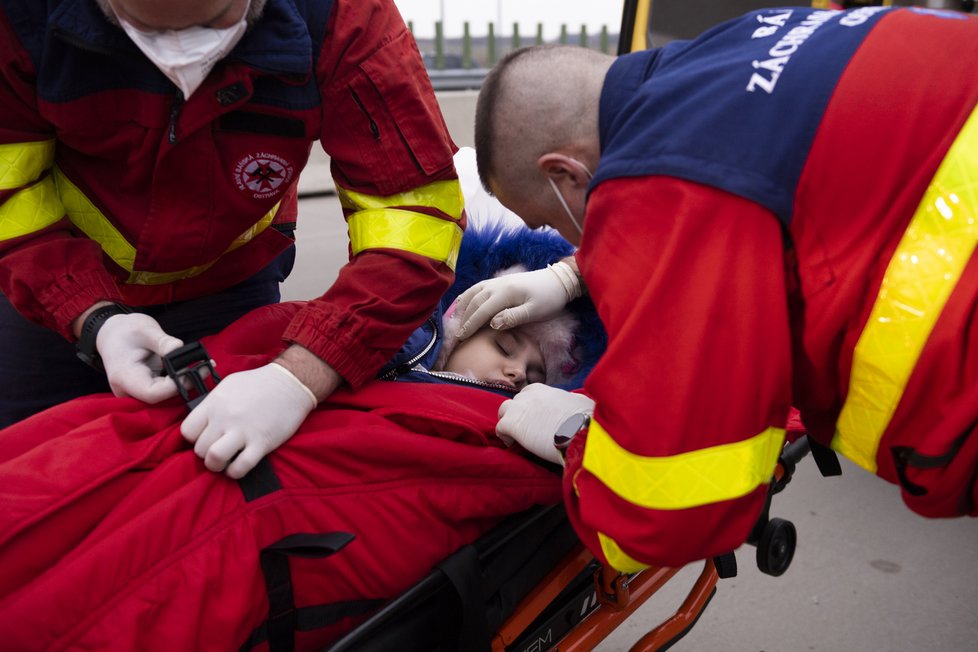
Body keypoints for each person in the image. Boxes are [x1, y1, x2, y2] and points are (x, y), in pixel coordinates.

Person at [458, 5, 978, 573]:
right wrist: (575, 274)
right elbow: (769, 182)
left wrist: (572, 433)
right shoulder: (737, 43)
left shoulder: (657, 192)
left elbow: (660, 517)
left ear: (565, 174)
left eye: (552, 223)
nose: (567, 238)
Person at [0, 221, 605, 650]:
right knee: (52, 470)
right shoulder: (385, 337)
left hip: (254, 504)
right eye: (504, 345)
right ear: (456, 316)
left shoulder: (500, 427)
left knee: (84, 589)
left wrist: (571, 434)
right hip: (194, 428)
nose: (512, 374)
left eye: (532, 373)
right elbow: (256, 340)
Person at [0, 0, 464, 480]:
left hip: (231, 283)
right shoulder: (18, 18)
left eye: (212, 22)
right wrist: (90, 315)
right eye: (142, 29)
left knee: (214, 491)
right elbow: (7, 191)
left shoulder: (343, 17)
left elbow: (414, 213)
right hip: (48, 289)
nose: (179, 56)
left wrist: (302, 374)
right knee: (23, 475)